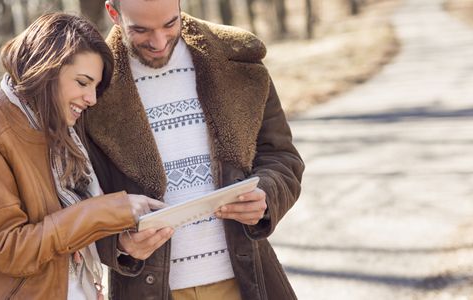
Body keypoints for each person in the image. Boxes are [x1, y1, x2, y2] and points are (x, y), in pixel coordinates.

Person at [79, 0, 305, 299]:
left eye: (170, 24)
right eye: (141, 30)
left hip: (244, 281)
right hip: (147, 289)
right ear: (113, 13)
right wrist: (117, 245)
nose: (158, 42)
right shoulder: (90, 86)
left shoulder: (238, 59)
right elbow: (76, 194)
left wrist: (266, 195)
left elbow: (281, 156)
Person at [0, 13, 163, 299]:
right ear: (46, 69)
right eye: (83, 82)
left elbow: (68, 233)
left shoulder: (61, 133)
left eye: (95, 87)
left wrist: (123, 244)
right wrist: (108, 211)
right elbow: (10, 250)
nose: (92, 99)